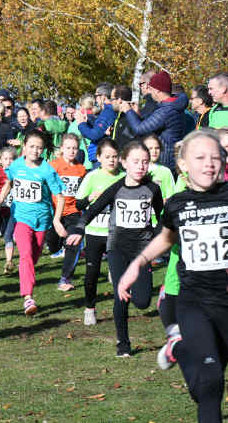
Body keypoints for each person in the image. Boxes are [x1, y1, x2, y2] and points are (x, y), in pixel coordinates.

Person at [117, 130, 228, 423]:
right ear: (183, 164)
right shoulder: (176, 204)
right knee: (212, 383)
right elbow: (165, 239)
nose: (209, 164)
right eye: (200, 158)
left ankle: (181, 349)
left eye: (215, 157)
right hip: (192, 300)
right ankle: (184, 348)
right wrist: (138, 263)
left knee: (206, 387)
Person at [66, 141, 164, 357]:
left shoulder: (153, 189)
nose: (140, 166)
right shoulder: (117, 188)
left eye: (145, 162)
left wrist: (158, 235)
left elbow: (162, 217)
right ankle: (123, 343)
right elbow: (93, 209)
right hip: (117, 248)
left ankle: (160, 297)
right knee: (121, 296)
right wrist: (79, 229)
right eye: (136, 162)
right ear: (124, 163)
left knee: (142, 301)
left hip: (143, 251)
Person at [0, 130, 66, 315]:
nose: (35, 151)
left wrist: (57, 220)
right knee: (26, 254)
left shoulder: (47, 170)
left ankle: (27, 279)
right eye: (32, 146)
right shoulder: (16, 165)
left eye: (39, 148)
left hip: (42, 220)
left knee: (32, 258)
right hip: (21, 217)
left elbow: (59, 197)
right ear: (24, 147)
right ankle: (28, 297)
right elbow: (9, 183)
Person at [73, 138, 125, 326]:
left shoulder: (124, 177)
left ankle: (121, 307)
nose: (111, 160)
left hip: (117, 233)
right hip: (95, 232)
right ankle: (89, 308)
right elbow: (78, 204)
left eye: (114, 157)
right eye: (107, 157)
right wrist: (89, 198)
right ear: (98, 158)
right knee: (92, 273)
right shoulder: (92, 176)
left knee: (120, 271)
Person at [119, 71, 187, 172]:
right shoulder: (172, 106)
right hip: (170, 159)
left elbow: (139, 129)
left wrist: (127, 111)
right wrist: (136, 115)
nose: (149, 92)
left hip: (165, 162)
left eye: (151, 89)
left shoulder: (166, 111)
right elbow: (151, 126)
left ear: (158, 91)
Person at [47, 134, 87, 291]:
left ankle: (65, 278)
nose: (71, 151)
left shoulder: (81, 169)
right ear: (62, 149)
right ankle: (57, 247)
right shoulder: (53, 166)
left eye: (75, 148)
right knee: (53, 246)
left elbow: (83, 191)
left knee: (74, 242)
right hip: (54, 210)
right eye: (68, 148)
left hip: (73, 211)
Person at [76, 83, 116, 166]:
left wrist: (81, 123)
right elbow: (99, 129)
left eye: (96, 96)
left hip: (101, 157)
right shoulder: (107, 111)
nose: (96, 99)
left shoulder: (107, 112)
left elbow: (94, 135)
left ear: (103, 96)